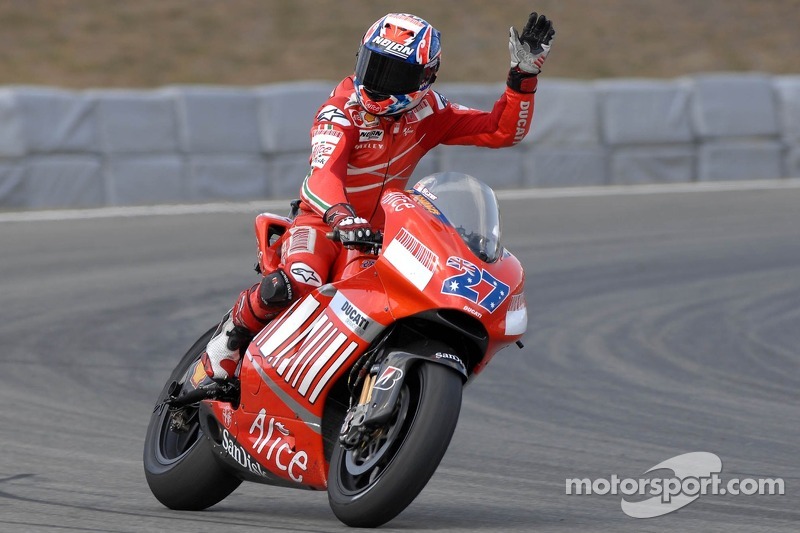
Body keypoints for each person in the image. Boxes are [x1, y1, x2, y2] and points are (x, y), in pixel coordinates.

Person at [201, 11, 555, 381]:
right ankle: (229, 339)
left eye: (395, 74)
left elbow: (501, 131)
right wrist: (341, 217)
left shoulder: (430, 111)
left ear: (425, 78)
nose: (378, 83)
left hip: (383, 237)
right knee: (297, 281)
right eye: (374, 67)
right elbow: (323, 175)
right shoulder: (341, 111)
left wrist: (523, 77)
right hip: (324, 224)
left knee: (397, 305)